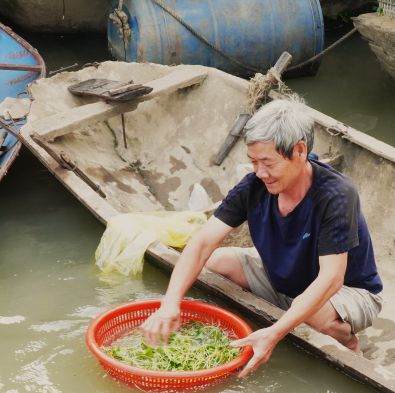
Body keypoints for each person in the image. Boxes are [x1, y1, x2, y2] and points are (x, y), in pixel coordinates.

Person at [140, 98, 382, 377]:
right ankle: (281, 313)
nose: (260, 172)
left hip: (348, 292)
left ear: (300, 151)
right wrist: (170, 303)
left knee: (313, 313)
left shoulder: (336, 195)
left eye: (268, 162)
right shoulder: (254, 185)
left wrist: (274, 333)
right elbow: (202, 242)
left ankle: (347, 342)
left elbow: (332, 279)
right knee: (215, 261)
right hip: (282, 277)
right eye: (253, 162)